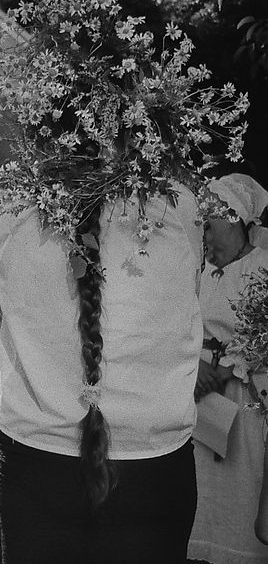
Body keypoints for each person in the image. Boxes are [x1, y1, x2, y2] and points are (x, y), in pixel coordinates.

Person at [0, 0, 246, 564]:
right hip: (153, 466)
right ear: (150, 106)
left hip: (39, 462)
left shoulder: (12, 205)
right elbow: (183, 304)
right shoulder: (182, 205)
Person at [189, 173, 268, 563]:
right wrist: (195, 365)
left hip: (244, 398)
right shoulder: (198, 269)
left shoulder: (263, 265)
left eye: (210, 225)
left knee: (242, 482)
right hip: (201, 398)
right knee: (202, 487)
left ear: (235, 218)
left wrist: (227, 368)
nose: (205, 235)